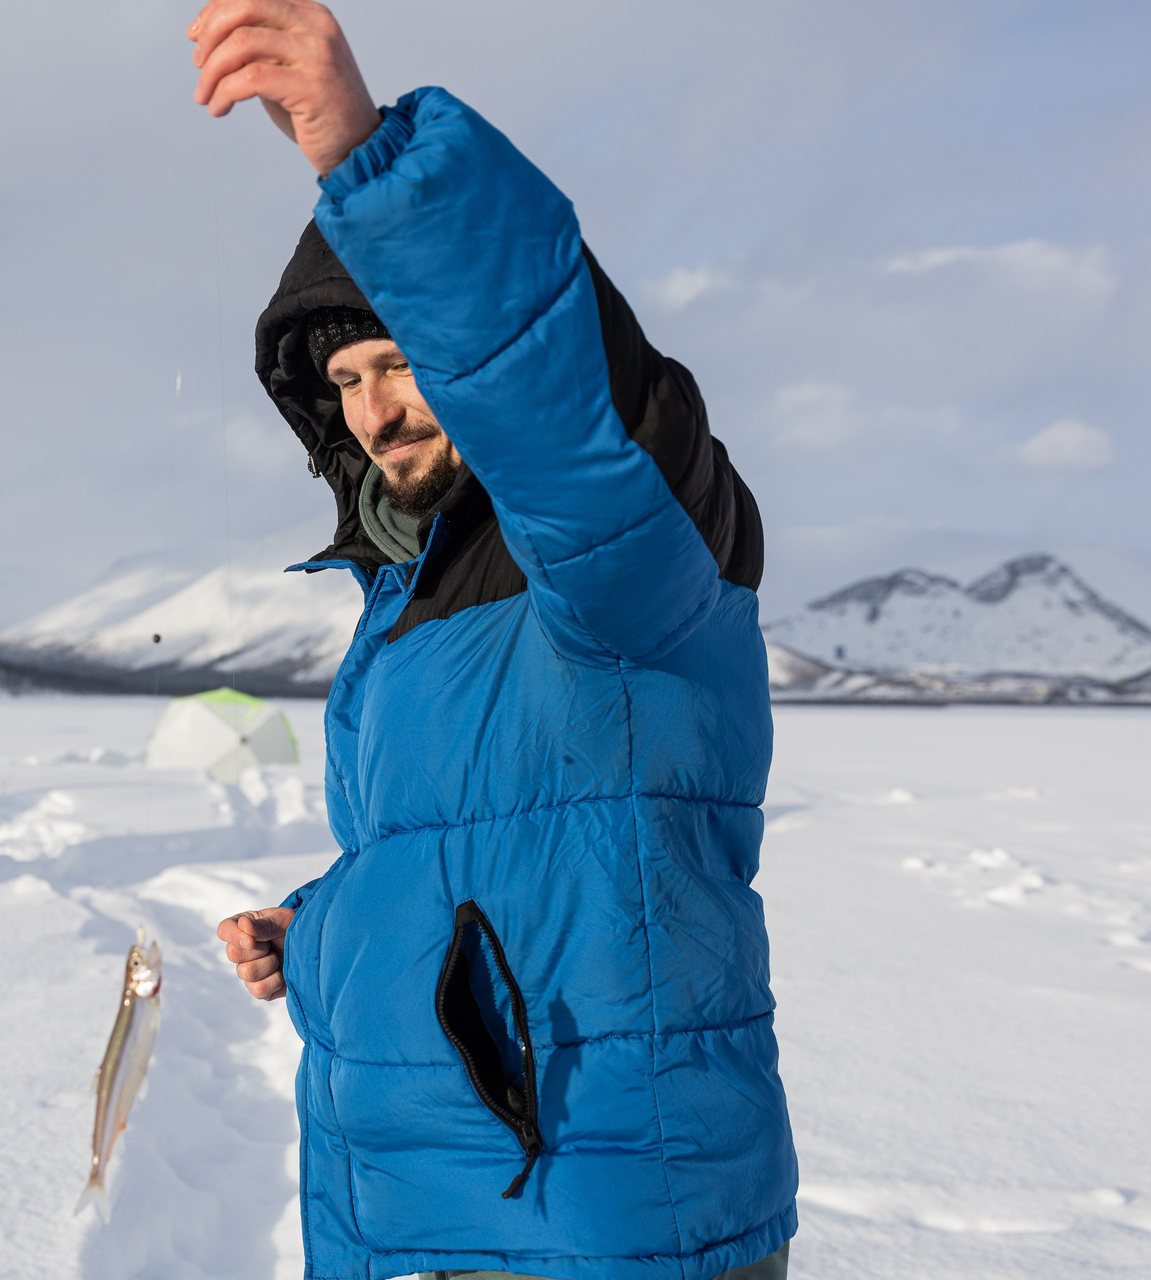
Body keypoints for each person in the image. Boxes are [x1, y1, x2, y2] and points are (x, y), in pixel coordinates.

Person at [193, 4, 797, 1278]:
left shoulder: (618, 562)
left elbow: (568, 396)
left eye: (402, 359)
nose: (375, 408)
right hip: (416, 1212)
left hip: (601, 1218)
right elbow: (475, 855)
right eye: (346, 381)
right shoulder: (402, 606)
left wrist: (371, 165)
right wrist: (324, 927)